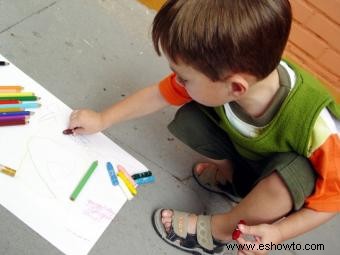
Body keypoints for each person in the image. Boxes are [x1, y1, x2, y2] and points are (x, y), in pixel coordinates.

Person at [68, 0, 340, 254]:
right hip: (248, 157)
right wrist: (102, 120)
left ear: (235, 87)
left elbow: (331, 202)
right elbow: (158, 94)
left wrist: (279, 233)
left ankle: (219, 231)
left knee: (290, 179)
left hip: (278, 188)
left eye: (185, 77)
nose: (178, 80)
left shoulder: (319, 128)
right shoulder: (231, 76)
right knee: (191, 118)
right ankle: (232, 179)